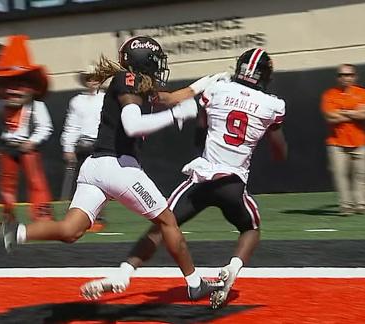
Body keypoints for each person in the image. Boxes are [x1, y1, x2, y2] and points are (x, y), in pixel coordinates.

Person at [0, 35, 222, 301]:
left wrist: (203, 85)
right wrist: (176, 116)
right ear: (144, 61)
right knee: (167, 221)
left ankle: (15, 233)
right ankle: (194, 283)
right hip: (119, 167)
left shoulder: (135, 82)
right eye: (155, 61)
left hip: (94, 168)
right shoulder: (128, 81)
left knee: (71, 230)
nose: (159, 66)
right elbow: (133, 125)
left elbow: (168, 98)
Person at [80, 48, 288, 310]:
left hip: (201, 177)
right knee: (251, 229)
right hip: (233, 182)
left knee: (161, 225)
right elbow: (279, 150)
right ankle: (232, 268)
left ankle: (124, 272)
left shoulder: (218, 89)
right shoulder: (273, 105)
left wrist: (202, 95)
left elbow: (199, 128)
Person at [0, 35, 54, 223]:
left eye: (20, 85)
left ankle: (43, 218)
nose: (14, 91)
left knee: (36, 183)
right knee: (6, 186)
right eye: (9, 84)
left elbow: (45, 127)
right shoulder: (2, 105)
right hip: (7, 147)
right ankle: (7, 219)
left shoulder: (36, 106)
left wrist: (32, 141)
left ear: (31, 88)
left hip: (27, 148)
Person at [321, 64, 365, 215]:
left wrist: (343, 112)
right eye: (342, 75)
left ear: (355, 76)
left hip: (360, 141)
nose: (345, 78)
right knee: (340, 175)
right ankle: (346, 206)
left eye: (349, 75)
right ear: (338, 78)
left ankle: (362, 205)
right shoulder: (329, 94)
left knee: (362, 175)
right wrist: (354, 112)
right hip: (336, 142)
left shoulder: (364, 93)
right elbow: (331, 117)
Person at [60, 65, 106, 231]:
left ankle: (98, 216)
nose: (92, 80)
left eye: (95, 77)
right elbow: (71, 125)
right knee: (82, 182)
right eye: (89, 78)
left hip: (101, 144)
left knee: (102, 182)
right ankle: (79, 217)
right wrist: (68, 147)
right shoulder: (77, 101)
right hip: (83, 145)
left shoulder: (106, 98)